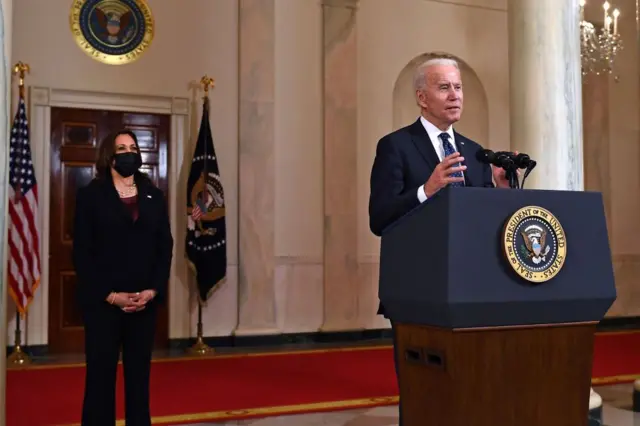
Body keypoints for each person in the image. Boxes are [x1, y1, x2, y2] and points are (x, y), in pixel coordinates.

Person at [368, 56, 513, 424]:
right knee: (425, 392)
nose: (455, 95)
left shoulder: (476, 152)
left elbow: (481, 223)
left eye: (458, 87)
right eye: (444, 87)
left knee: (471, 388)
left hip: (472, 290)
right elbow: (379, 218)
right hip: (417, 290)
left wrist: (499, 190)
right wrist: (426, 189)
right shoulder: (395, 146)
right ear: (421, 97)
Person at [73, 129, 174, 426]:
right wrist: (110, 295)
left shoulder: (154, 195)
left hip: (144, 304)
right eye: (122, 148)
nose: (129, 153)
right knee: (100, 379)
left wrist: (153, 290)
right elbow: (82, 252)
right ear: (110, 156)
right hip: (104, 304)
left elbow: (164, 246)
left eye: (133, 147)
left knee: (139, 381)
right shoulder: (90, 196)